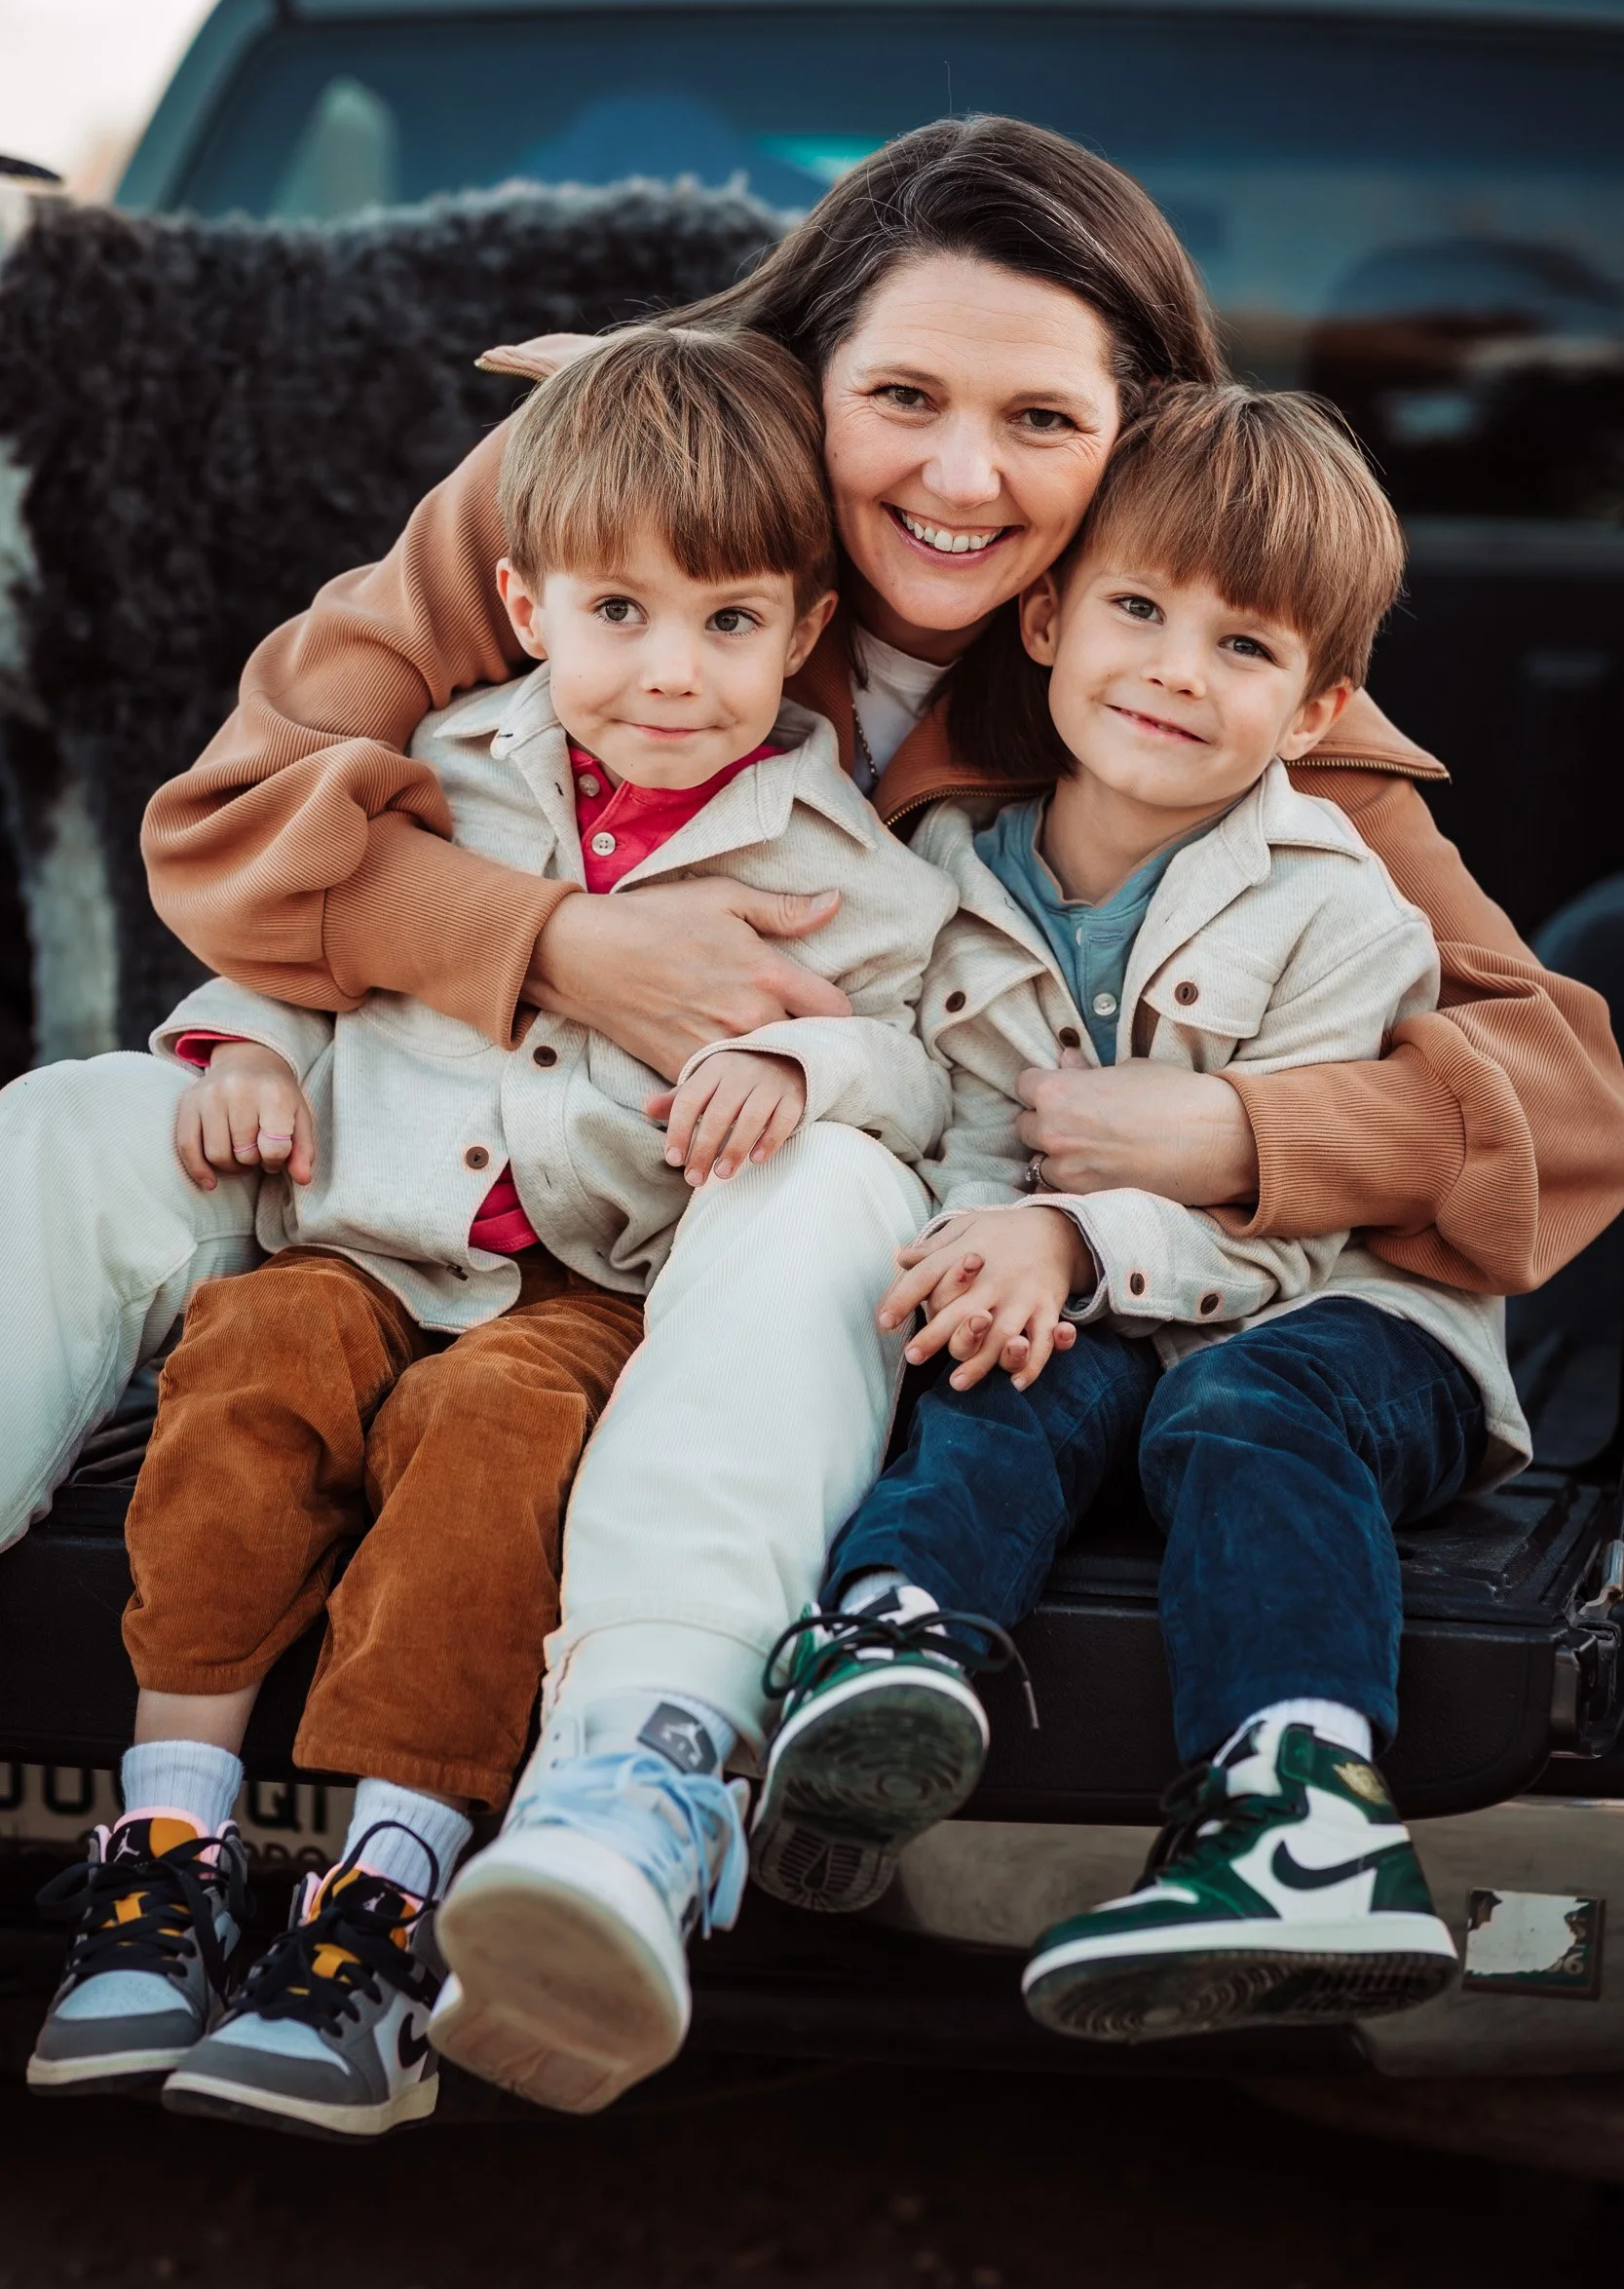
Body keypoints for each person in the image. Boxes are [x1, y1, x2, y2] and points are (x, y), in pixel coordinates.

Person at [2, 115, 1618, 2100]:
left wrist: (1242, 1141)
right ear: (801, 380)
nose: (960, 474)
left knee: (840, 1170)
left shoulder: (1176, 660)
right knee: (79, 1113)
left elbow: (1554, 1096)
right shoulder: (607, 490)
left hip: (756, 1231)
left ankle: (635, 1775)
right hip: (438, 1142)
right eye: (903, 398)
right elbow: (236, 819)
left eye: (1038, 418)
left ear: (1137, 440)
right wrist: (554, 944)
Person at [24, 325, 955, 2139]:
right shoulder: (437, 769)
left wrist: (799, 1058)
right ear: (525, 602)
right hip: (367, 1236)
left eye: (730, 624)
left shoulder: (835, 853)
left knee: (494, 1441)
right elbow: (301, 936)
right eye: (620, 614)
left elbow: (919, 1066)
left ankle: (381, 1896)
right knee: (248, 1360)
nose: (672, 676)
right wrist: (239, 1048)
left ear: (804, 631)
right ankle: (165, 1846)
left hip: (587, 1286)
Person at [753, 384, 1530, 2045]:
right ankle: (892, 1662)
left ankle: (1301, 1818)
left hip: (1348, 1335)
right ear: (1042, 618)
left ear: (1317, 703)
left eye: (1243, 648)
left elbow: (1299, 1230)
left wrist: (1075, 1241)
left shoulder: (1340, 907)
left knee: (1236, 1414)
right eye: (1136, 608)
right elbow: (967, 1146)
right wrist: (991, 1259)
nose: (1177, 668)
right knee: (991, 1370)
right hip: (1109, 1312)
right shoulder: (948, 883)